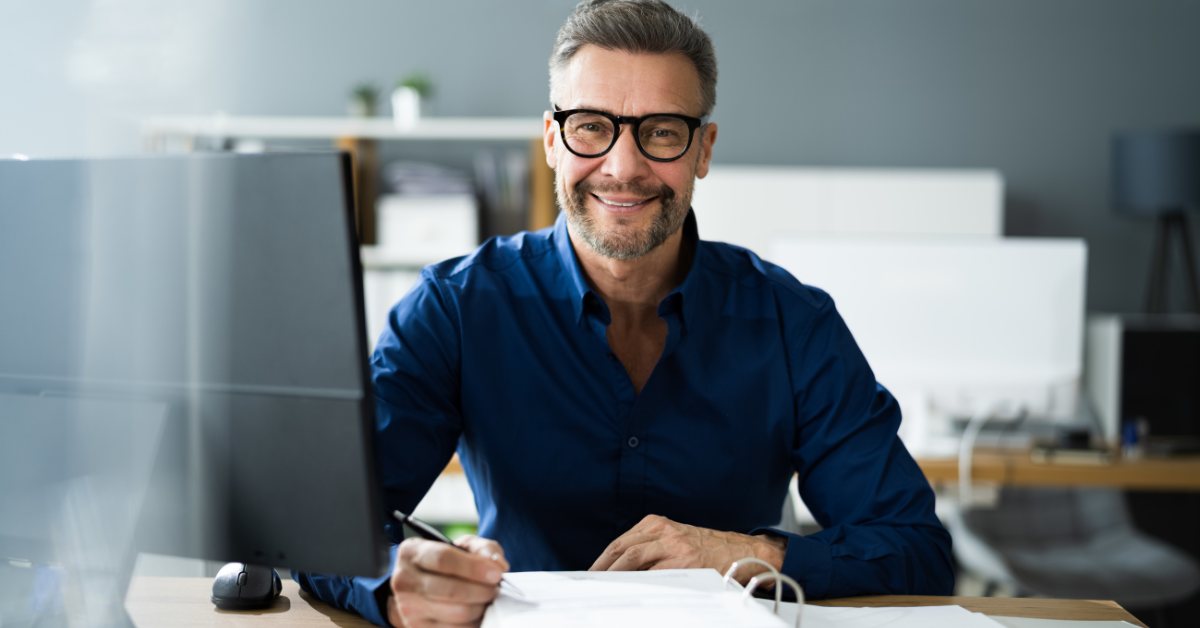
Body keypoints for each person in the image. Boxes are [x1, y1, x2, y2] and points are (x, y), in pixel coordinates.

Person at [296, 1, 954, 625]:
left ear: (703, 150)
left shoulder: (793, 322)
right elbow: (322, 528)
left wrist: (746, 555)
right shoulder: (456, 307)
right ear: (553, 140)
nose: (623, 166)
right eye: (592, 126)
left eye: (662, 132)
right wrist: (397, 585)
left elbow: (915, 551)